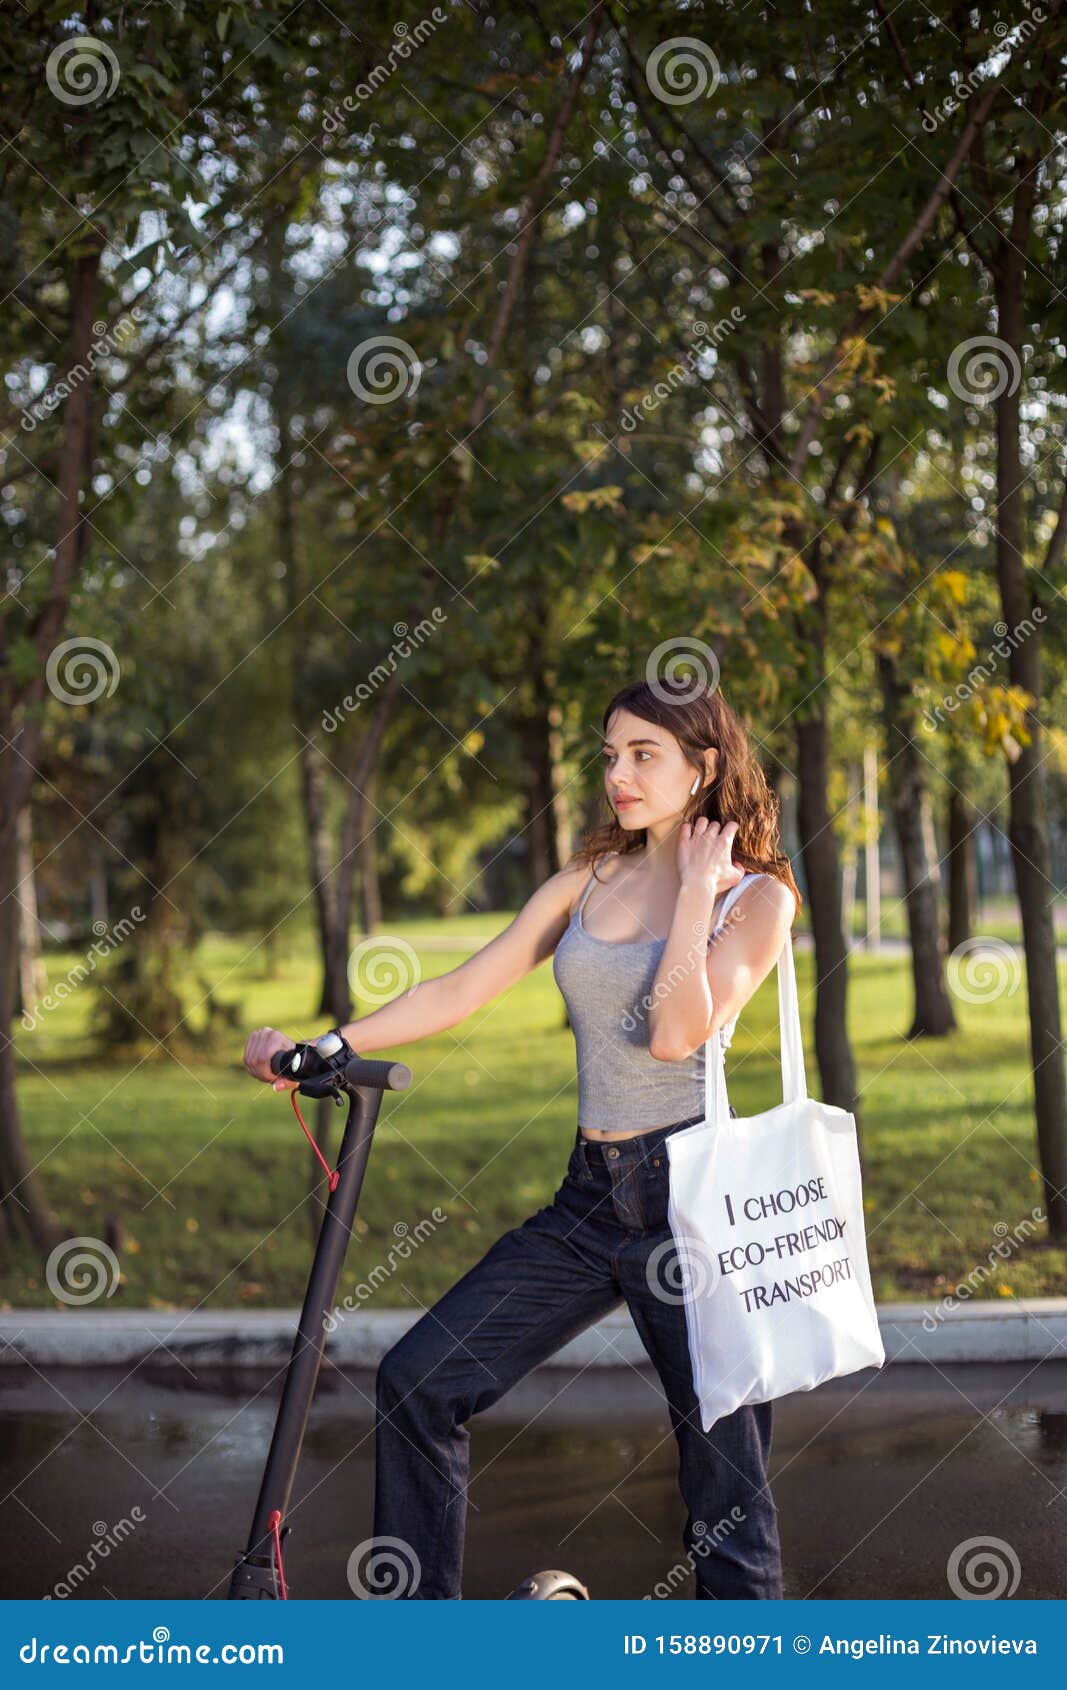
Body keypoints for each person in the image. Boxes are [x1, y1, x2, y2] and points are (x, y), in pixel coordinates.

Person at [243, 675, 802, 1598]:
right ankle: (425, 1644)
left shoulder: (755, 899)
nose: (616, 775)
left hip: (692, 1204)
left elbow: (674, 1032)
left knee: (723, 1485)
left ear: (703, 768)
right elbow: (461, 987)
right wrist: (327, 1047)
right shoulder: (589, 878)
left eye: (641, 755)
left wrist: (699, 888)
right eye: (609, 755)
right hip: (590, 1199)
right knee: (420, 1381)